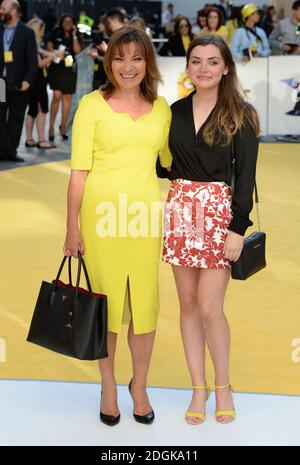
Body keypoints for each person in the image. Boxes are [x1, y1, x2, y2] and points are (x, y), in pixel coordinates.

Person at [64, 27, 172, 426]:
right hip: (101, 220)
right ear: (108, 63)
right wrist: (72, 229)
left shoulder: (162, 109)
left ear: (148, 62)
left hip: (144, 221)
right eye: (120, 58)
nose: (128, 67)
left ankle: (138, 386)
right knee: (104, 308)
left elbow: (173, 162)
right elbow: (77, 174)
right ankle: (108, 386)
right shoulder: (91, 106)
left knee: (145, 307)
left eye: (137, 58)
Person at [162, 34, 260, 425]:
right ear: (187, 67)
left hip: (220, 218)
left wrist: (238, 227)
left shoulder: (242, 114)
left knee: (210, 308)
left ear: (226, 68)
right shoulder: (174, 112)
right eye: (196, 61)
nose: (203, 69)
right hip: (180, 213)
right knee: (186, 306)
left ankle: (223, 385)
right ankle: (198, 388)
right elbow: (165, 163)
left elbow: (247, 175)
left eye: (212, 62)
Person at [0, 0, 37, 162]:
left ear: (14, 11)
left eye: (3, 8)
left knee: (16, 117)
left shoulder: (27, 33)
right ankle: (0, 150)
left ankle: (11, 150)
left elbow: (32, 61)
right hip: (0, 84)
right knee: (0, 116)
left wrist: (28, 81)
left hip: (19, 83)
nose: (0, 11)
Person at [25, 18, 64, 149]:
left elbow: (42, 53)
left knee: (32, 110)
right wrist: (52, 57)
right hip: (38, 81)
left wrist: (51, 54)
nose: (43, 33)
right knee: (42, 109)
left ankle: (29, 139)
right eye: (42, 30)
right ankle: (42, 140)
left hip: (32, 81)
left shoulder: (31, 44)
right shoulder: (33, 45)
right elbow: (39, 64)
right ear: (37, 30)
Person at [47, 14, 82, 142]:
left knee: (67, 97)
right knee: (56, 96)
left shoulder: (76, 35)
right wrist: (56, 53)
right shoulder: (55, 33)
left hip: (70, 69)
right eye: (65, 21)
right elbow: (49, 47)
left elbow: (77, 51)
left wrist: (74, 35)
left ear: (73, 24)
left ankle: (63, 127)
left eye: (70, 21)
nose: (67, 23)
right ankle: (50, 127)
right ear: (61, 23)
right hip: (57, 68)